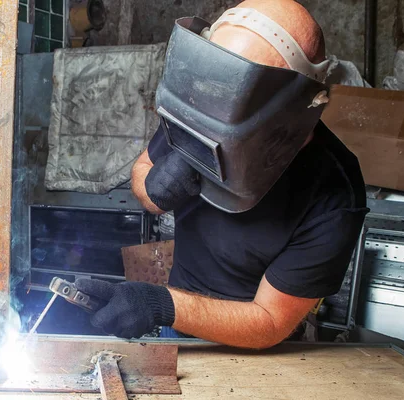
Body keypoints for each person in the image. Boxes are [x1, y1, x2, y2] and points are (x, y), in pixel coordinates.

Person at [75, 0, 368, 349]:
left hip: (259, 349)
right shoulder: (201, 113)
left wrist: (161, 304)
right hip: (175, 320)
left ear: (292, 102)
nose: (220, 109)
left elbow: (270, 322)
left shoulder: (335, 193)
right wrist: (153, 190)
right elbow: (143, 169)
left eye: (241, 99)